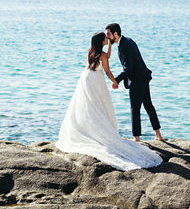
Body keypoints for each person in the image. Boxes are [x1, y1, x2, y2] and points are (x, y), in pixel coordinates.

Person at [56, 32, 162, 171]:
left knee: (89, 106)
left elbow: (105, 57)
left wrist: (110, 48)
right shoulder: (105, 54)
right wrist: (114, 81)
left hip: (87, 78)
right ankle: (146, 134)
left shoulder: (92, 51)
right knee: (100, 105)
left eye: (108, 35)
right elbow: (107, 70)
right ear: (101, 41)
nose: (107, 38)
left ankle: (88, 129)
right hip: (98, 80)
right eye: (105, 37)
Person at [105, 23, 163, 142]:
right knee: (148, 106)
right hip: (143, 76)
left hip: (137, 80)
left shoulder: (124, 46)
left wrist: (116, 81)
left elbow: (128, 69)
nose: (107, 37)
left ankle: (136, 138)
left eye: (108, 35)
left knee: (135, 109)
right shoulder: (127, 40)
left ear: (115, 34)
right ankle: (158, 134)